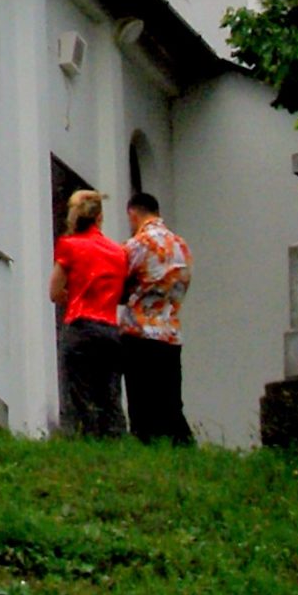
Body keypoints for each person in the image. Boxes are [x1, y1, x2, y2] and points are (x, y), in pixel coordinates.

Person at [50, 187, 127, 437]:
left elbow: (54, 291)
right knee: (110, 396)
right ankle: (115, 442)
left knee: (81, 397)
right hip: (110, 330)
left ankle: (87, 443)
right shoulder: (118, 252)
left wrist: (70, 295)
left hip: (80, 325)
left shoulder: (69, 245)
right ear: (99, 218)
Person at [119, 191, 193, 444]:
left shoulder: (138, 244)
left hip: (139, 332)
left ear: (133, 213)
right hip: (170, 333)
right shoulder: (181, 246)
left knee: (141, 403)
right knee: (171, 402)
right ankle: (180, 446)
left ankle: (146, 446)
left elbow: (121, 284)